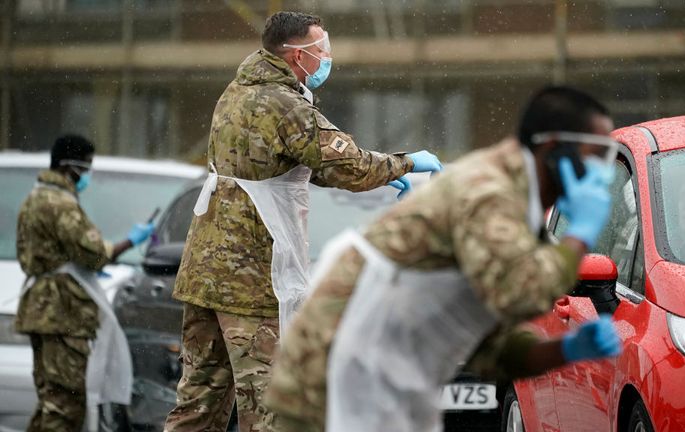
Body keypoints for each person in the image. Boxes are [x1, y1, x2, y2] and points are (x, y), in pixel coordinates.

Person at [264, 86, 624, 432]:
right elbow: (520, 291)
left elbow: (490, 350)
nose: (605, 172)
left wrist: (566, 349)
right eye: (599, 154)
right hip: (340, 369)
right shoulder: (489, 192)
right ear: (555, 149)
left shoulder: (519, 209)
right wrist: (580, 234)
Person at [163, 11, 443, 432]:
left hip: (207, 271)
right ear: (297, 56)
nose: (327, 58)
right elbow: (348, 164)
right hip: (251, 277)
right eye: (322, 50)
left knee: (198, 406)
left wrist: (388, 176)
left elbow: (307, 163)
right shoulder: (285, 104)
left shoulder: (238, 91)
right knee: (272, 410)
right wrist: (405, 162)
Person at [15, 134, 155, 432]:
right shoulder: (61, 204)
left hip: (41, 308)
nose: (88, 175)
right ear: (70, 167)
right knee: (65, 403)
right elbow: (94, 254)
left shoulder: (36, 197)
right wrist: (130, 241)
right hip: (59, 312)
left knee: (50, 400)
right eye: (87, 168)